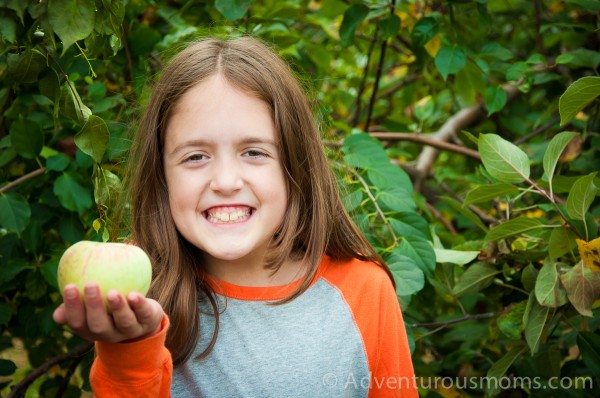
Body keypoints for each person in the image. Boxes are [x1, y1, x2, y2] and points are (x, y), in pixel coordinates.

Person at [53, 36, 417, 397]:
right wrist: (129, 350)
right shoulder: (140, 295)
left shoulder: (364, 290)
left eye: (254, 152)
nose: (226, 182)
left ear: (295, 166)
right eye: (195, 157)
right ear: (161, 176)